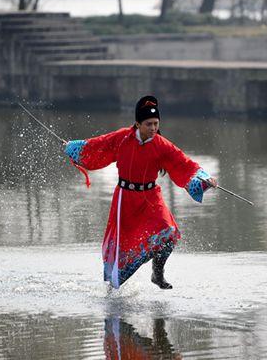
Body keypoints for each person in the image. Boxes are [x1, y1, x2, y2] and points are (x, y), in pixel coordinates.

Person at [64, 96, 217, 289]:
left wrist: (203, 179)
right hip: (125, 198)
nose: (153, 128)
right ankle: (113, 291)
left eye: (156, 124)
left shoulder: (162, 145)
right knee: (122, 250)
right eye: (148, 124)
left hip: (151, 198)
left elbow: (184, 164)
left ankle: (157, 274)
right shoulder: (122, 138)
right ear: (137, 124)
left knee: (169, 234)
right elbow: (99, 145)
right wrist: (75, 148)